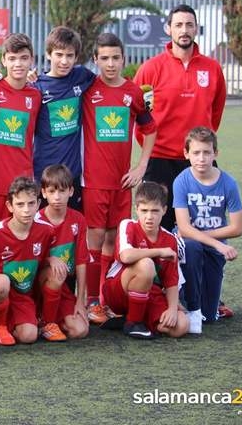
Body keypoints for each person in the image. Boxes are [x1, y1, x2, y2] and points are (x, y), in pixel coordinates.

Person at [81, 33, 156, 325]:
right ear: (96, 60)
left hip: (123, 181)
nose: (110, 64)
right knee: (95, 239)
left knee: (115, 239)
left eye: (116, 58)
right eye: (104, 58)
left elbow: (150, 129)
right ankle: (89, 301)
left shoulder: (133, 93)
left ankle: (107, 298)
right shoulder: (88, 89)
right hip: (93, 181)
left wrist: (141, 167)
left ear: (124, 60)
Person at [133, 4, 226, 233]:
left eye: (189, 25)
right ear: (168, 29)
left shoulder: (212, 68)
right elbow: (137, 114)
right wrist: (152, 146)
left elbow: (216, 112)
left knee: (202, 228)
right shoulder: (150, 69)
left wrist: (200, 147)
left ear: (196, 30)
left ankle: (201, 269)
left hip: (197, 160)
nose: (184, 30)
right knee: (158, 229)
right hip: (160, 160)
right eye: (178, 25)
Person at [0, 177, 62, 346]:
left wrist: (51, 259)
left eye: (30, 204)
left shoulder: (46, 231)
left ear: (38, 204)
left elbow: (40, 262)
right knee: (2, 281)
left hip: (22, 293)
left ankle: (45, 322)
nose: (26, 210)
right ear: (9, 206)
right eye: (20, 204)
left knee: (28, 336)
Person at [173, 127, 242, 334]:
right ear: (186, 154)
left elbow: (237, 227)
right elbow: (184, 229)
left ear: (216, 154)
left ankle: (204, 305)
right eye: (196, 153)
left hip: (214, 249)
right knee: (192, 246)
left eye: (206, 152)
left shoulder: (228, 183)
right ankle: (187, 303)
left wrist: (211, 242)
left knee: (210, 316)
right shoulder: (182, 181)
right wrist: (217, 243)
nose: (201, 158)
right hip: (190, 245)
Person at [102, 182, 189, 339]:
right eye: (144, 210)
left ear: (164, 210)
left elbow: (171, 280)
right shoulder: (127, 225)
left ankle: (133, 318)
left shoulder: (170, 239)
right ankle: (133, 323)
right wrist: (159, 251)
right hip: (118, 289)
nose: (149, 217)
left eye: (155, 211)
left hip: (150, 293)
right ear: (136, 210)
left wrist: (171, 309)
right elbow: (126, 256)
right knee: (146, 264)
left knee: (181, 326)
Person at [32, 27, 96, 210]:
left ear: (76, 57)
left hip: (72, 175)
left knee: (71, 230)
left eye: (70, 55)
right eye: (59, 54)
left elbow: (106, 85)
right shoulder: (37, 86)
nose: (64, 61)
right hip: (43, 174)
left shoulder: (81, 76)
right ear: (48, 54)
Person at [0, 33, 41, 222]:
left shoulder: (35, 95)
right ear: (3, 60)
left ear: (31, 60)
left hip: (23, 180)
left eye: (24, 58)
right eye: (12, 58)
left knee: (20, 237)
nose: (18, 64)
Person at [34, 164, 90, 341]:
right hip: (37, 285)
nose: (57, 197)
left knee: (80, 330)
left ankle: (52, 317)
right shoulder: (36, 219)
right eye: (51, 191)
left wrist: (80, 301)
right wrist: (50, 259)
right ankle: (47, 322)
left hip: (63, 287)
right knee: (56, 271)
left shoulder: (78, 220)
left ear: (71, 191)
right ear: (43, 193)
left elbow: (81, 261)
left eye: (62, 191)